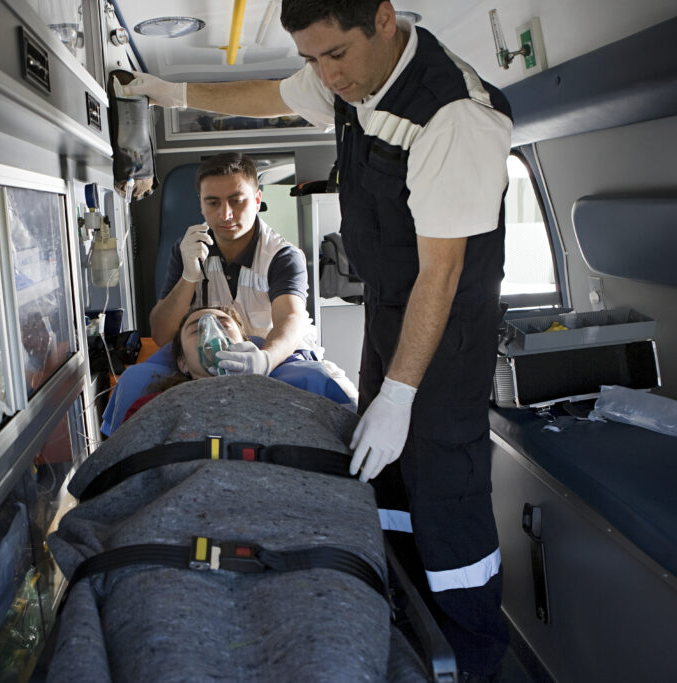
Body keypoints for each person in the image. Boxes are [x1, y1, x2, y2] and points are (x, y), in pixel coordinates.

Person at [120, 1, 512, 678]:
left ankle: (474, 658)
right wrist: (169, 91)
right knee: (385, 486)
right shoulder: (347, 75)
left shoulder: (452, 116)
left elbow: (442, 276)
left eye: (336, 55)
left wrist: (396, 395)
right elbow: (268, 95)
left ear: (384, 19)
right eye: (311, 58)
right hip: (394, 307)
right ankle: (404, 632)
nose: (326, 75)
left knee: (447, 499)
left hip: (446, 327)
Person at [150, 152, 313, 378]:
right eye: (213, 202)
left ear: (257, 200)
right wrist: (189, 276)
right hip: (210, 361)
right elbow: (162, 334)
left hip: (274, 358)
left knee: (317, 380)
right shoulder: (187, 249)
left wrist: (265, 361)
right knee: (139, 379)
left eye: (236, 201)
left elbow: (291, 319)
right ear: (201, 204)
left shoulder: (282, 256)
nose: (225, 214)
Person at [124, 306, 354, 422]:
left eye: (224, 324)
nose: (212, 335)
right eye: (197, 329)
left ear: (246, 345)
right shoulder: (151, 407)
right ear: (182, 364)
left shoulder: (293, 396)